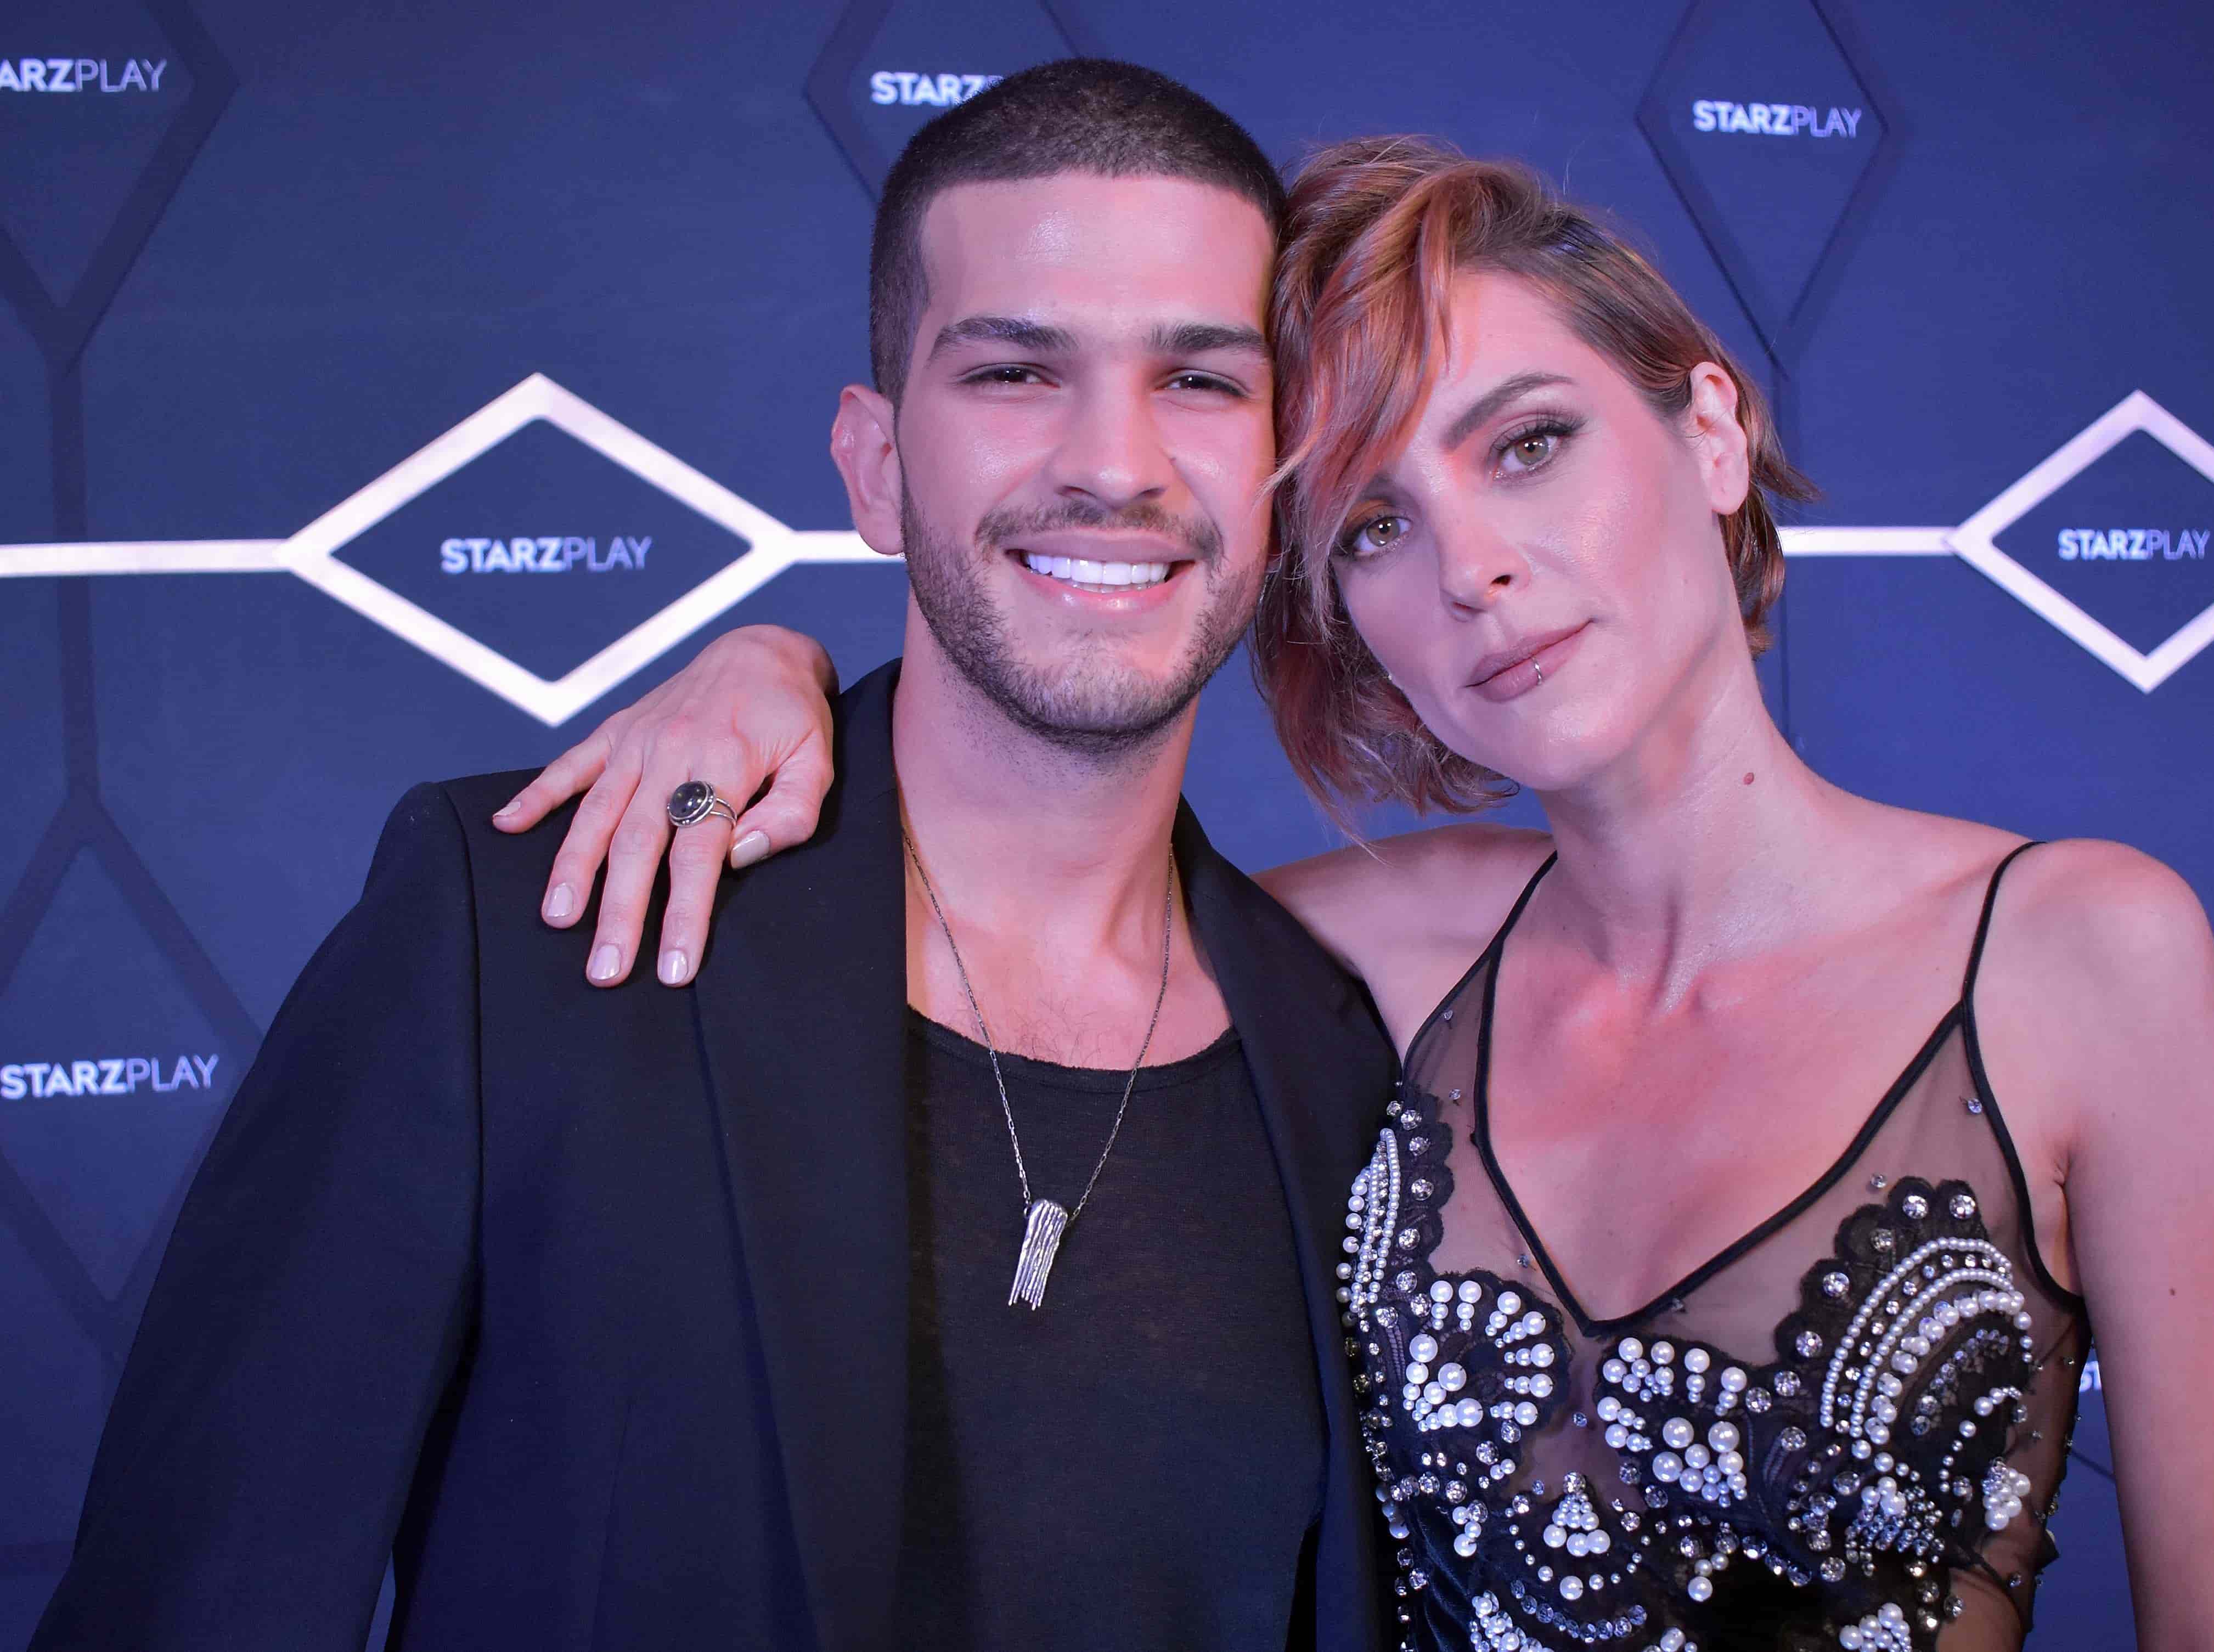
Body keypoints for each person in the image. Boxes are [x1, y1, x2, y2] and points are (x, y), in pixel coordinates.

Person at [502, 140, 2214, 1651]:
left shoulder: (2083, 958)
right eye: (1374, 524)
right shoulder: (1370, 957)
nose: (1475, 567)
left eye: (1529, 443)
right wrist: (771, 679)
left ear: (1708, 429)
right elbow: (992, 897)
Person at [33, 63, 1397, 1652]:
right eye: (1017, 371)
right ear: (876, 467)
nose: (1116, 462)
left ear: (1283, 463)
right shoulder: (522, 929)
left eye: (1202, 380)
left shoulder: (1351, 1056)